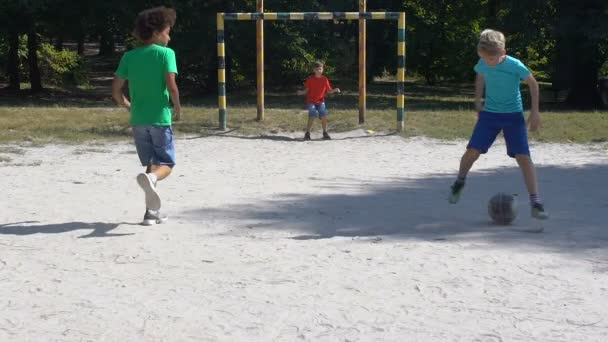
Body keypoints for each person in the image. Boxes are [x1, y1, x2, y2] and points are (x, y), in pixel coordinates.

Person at [448, 29, 548, 220]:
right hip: (490, 115)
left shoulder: (515, 65)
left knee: (523, 157)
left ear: (502, 53)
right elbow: (480, 76)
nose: (487, 62)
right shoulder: (483, 62)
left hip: (513, 117)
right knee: (472, 151)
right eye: (484, 58)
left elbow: (533, 85)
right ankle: (460, 181)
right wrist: (478, 100)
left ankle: (536, 202)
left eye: (491, 59)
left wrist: (535, 112)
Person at [112, 6, 181, 225]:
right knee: (166, 164)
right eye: (168, 31)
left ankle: (150, 214)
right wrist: (178, 107)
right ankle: (152, 179)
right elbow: (171, 85)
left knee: (151, 163)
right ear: (157, 32)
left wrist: (128, 105)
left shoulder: (129, 56)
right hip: (160, 118)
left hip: (139, 121)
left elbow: (115, 90)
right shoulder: (166, 54)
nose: (169, 35)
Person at [297, 61, 340, 140]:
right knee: (312, 114)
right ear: (314, 70)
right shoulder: (310, 79)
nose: (319, 71)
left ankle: (325, 133)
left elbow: (329, 91)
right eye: (317, 69)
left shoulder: (325, 79)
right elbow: (306, 90)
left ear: (322, 69)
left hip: (320, 101)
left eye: (320, 69)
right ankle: (307, 133)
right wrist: (301, 92)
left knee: (323, 115)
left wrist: (335, 90)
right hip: (311, 101)